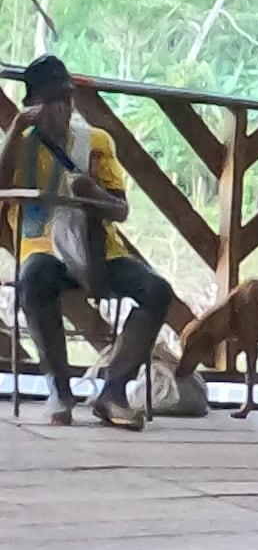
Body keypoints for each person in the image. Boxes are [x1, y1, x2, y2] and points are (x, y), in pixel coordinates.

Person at [8, 56, 167, 429]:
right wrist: (14, 133)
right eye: (49, 102)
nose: (60, 109)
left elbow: (120, 209)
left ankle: (113, 390)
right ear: (33, 107)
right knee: (33, 278)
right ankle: (60, 389)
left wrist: (92, 193)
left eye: (65, 99)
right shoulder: (23, 145)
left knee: (157, 290)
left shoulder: (96, 142)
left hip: (100, 252)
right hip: (43, 246)